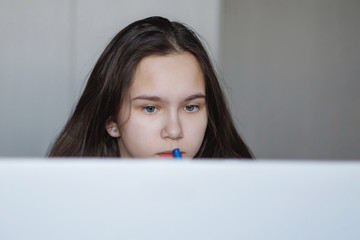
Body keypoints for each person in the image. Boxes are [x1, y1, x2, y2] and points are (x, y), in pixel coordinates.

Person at [48, 16, 254, 159]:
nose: (174, 131)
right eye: (150, 108)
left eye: (191, 107)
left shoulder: (241, 197)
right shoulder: (68, 198)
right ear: (112, 120)